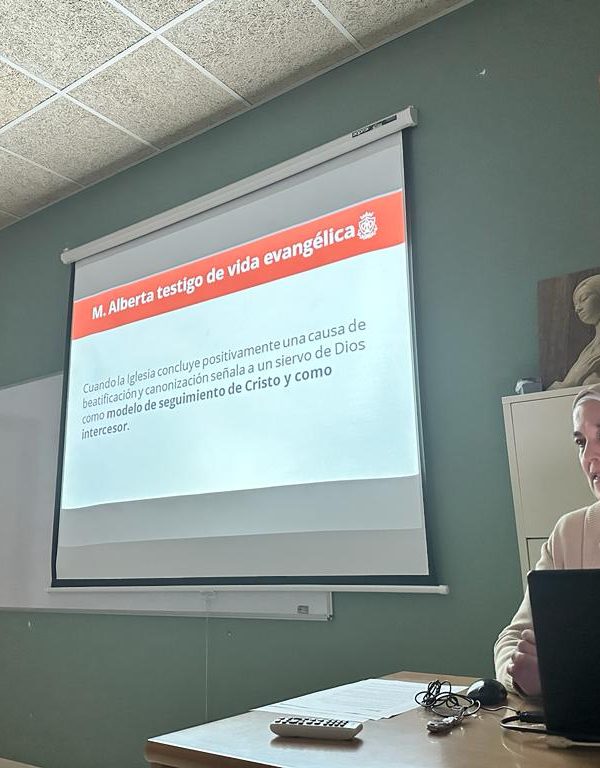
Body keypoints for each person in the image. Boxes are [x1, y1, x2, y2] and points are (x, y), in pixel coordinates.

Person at [494, 383, 600, 696]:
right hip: (577, 722)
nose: (589, 455)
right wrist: (522, 676)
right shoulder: (570, 533)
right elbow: (512, 639)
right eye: (581, 442)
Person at [548, 274, 600, 389]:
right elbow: (554, 392)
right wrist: (574, 379)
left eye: (584, 299)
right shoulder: (589, 350)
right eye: (576, 304)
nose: (577, 309)